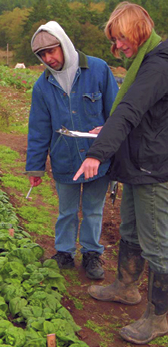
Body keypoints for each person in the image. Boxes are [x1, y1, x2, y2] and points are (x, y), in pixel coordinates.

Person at [74, 2, 168, 344]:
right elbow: (133, 116)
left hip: (154, 168)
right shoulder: (145, 62)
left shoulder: (157, 64)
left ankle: (158, 318)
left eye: (120, 39)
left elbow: (129, 109)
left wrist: (98, 153)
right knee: (130, 229)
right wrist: (107, 131)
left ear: (137, 31)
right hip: (136, 163)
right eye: (114, 42)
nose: (117, 47)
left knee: (158, 244)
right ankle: (126, 287)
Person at [25, 21, 118, 279]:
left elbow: (116, 113)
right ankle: (64, 252)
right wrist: (35, 166)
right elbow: (39, 129)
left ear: (64, 45)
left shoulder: (97, 70)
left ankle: (91, 253)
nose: (48, 58)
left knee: (92, 209)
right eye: (42, 55)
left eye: (52, 51)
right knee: (66, 210)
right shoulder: (42, 86)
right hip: (64, 159)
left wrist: (112, 142)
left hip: (97, 159)